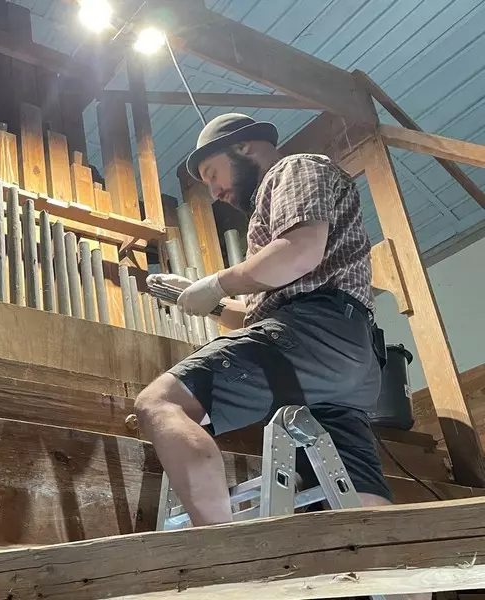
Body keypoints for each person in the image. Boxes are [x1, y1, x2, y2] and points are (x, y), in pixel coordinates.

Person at [135, 113, 393, 525]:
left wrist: (218, 282)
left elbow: (300, 251)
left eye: (211, 172)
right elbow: (262, 317)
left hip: (314, 334)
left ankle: (227, 553)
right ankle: (395, 586)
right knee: (358, 498)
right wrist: (214, 303)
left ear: (243, 146)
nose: (215, 191)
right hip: (341, 363)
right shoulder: (270, 216)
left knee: (160, 404)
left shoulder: (293, 168)